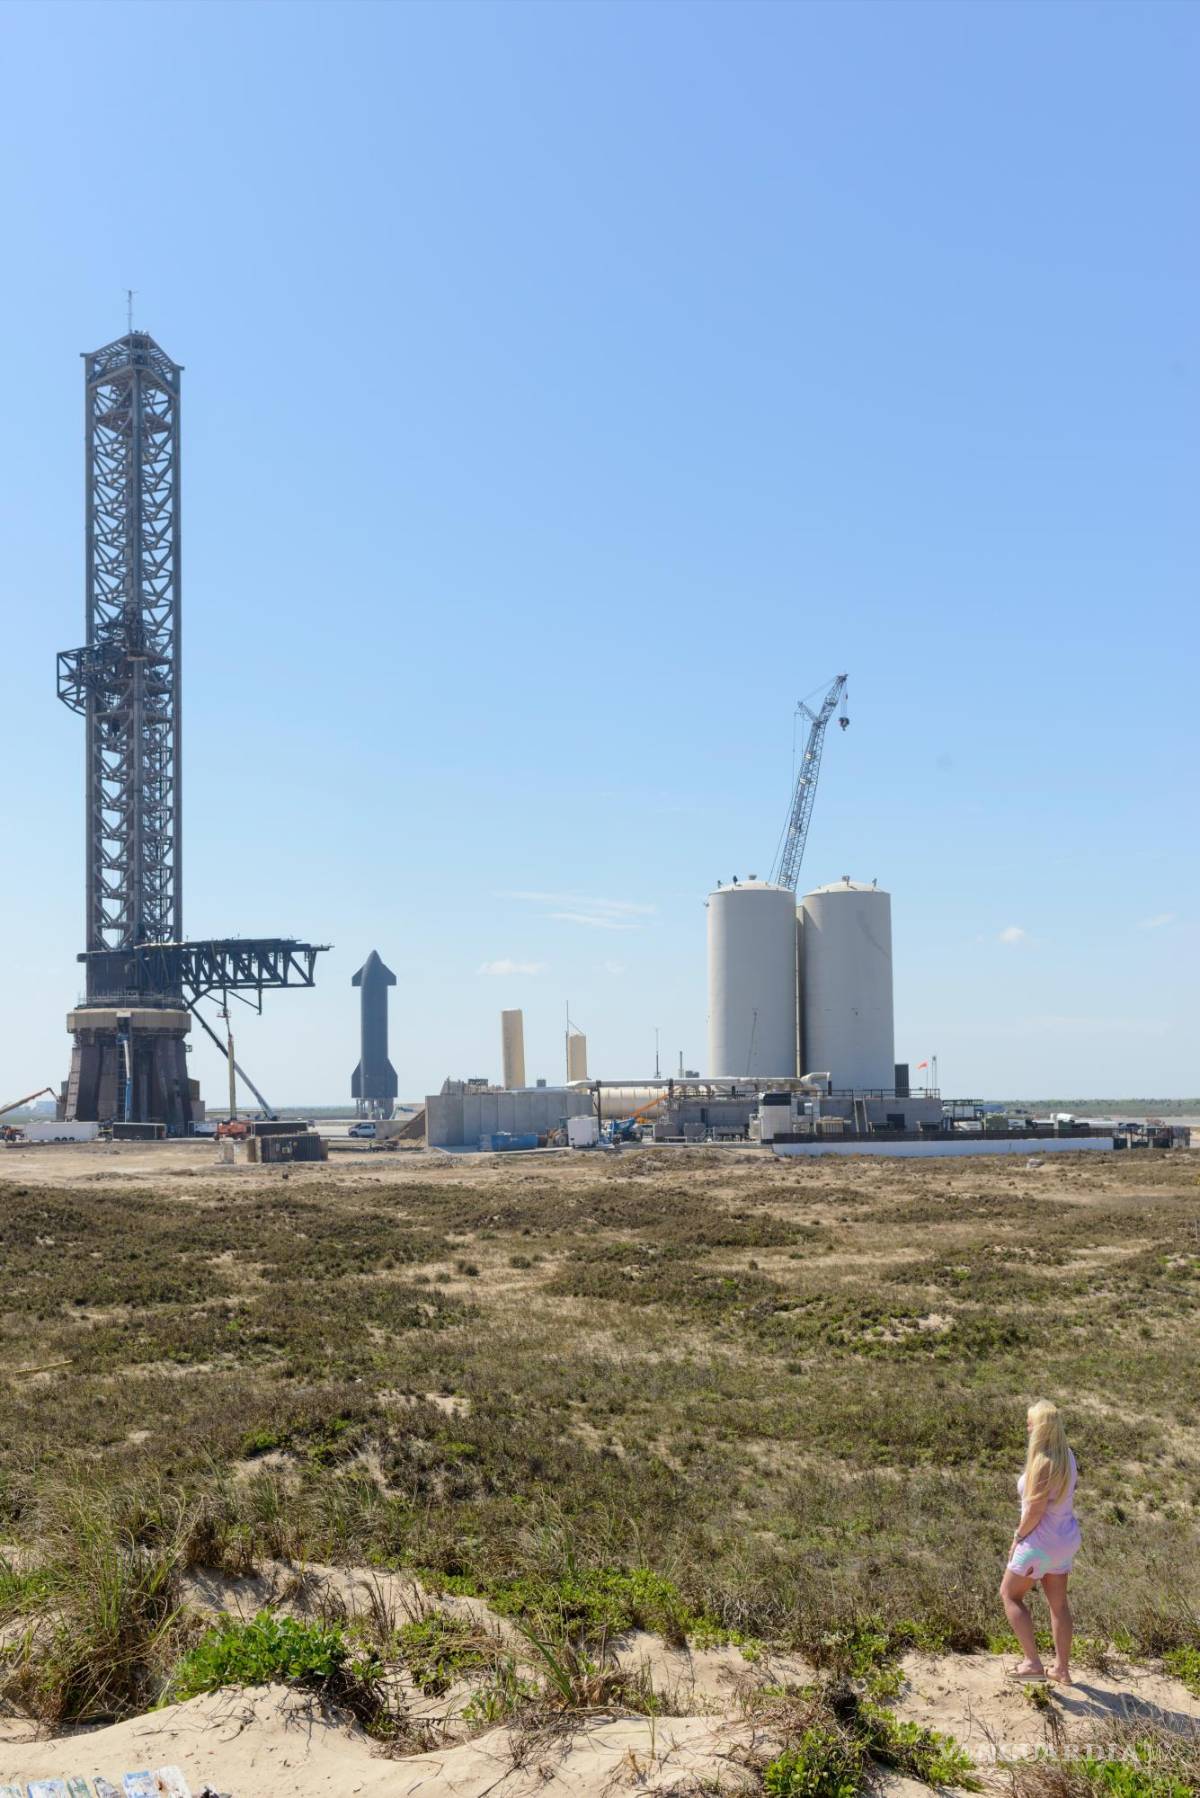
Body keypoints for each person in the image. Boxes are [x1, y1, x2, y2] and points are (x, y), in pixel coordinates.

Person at [999, 1398, 1081, 1683]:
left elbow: (1034, 1510)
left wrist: (1017, 1538)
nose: (1027, 1426)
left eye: (1030, 1422)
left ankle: (1033, 1663)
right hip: (1065, 1540)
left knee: (1010, 1595)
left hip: (1041, 1544)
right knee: (1058, 1605)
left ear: (1041, 1427)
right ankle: (1061, 1669)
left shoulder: (1043, 1462)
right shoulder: (1068, 1457)